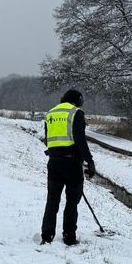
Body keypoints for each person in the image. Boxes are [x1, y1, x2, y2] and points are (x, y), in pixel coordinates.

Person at [40, 89, 95, 246]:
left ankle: (47, 234)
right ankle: (69, 236)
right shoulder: (76, 113)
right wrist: (89, 161)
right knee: (72, 201)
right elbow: (80, 139)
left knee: (52, 199)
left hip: (54, 162)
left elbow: (48, 139)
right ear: (78, 100)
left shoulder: (50, 113)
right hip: (72, 164)